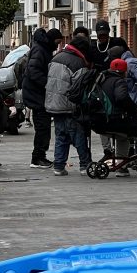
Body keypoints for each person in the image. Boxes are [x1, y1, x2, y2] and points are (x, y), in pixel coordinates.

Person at [89, 58, 137, 179]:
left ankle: (121, 167)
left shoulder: (101, 79)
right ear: (125, 72)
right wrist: (136, 110)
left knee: (123, 135)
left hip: (99, 123)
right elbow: (121, 98)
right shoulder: (119, 81)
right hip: (114, 121)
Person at [45, 36, 92, 176]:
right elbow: (80, 88)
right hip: (69, 105)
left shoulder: (55, 58)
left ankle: (59, 166)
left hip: (54, 104)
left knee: (61, 136)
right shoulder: (78, 63)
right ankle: (85, 165)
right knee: (79, 135)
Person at [23, 28, 63, 168]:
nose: (57, 46)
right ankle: (38, 157)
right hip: (37, 95)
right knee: (42, 127)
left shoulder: (42, 49)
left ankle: (40, 156)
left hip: (37, 94)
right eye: (57, 42)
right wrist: (48, 83)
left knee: (43, 127)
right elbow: (33, 71)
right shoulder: (40, 50)